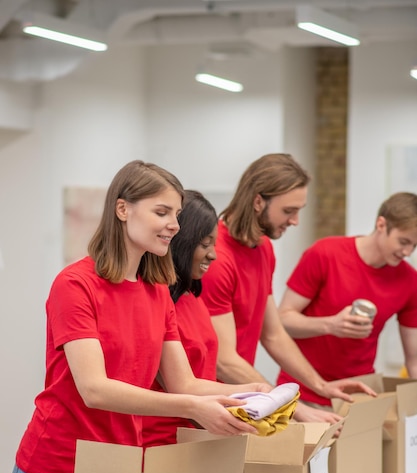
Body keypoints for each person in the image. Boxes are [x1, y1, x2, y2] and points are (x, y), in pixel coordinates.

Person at [7, 160, 272, 473]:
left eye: (175, 215)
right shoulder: (75, 284)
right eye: (162, 212)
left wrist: (245, 393)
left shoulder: (156, 288)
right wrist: (193, 406)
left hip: (121, 472)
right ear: (123, 210)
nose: (174, 224)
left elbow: (184, 382)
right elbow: (95, 389)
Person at [201, 153, 375, 424]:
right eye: (288, 211)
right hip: (210, 404)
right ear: (258, 201)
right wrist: (292, 407)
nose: (295, 221)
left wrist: (320, 386)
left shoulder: (263, 248)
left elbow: (273, 335)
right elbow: (223, 361)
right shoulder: (217, 259)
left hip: (241, 399)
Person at [276, 191, 417, 405]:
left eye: (414, 246)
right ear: (381, 225)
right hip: (300, 392)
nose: (407, 252)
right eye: (403, 241)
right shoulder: (325, 254)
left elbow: (414, 361)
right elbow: (283, 320)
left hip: (358, 396)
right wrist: (331, 325)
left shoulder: (410, 281)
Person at [141, 189, 219, 448]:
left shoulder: (193, 297)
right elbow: (181, 386)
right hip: (161, 445)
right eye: (205, 244)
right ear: (183, 242)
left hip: (198, 438)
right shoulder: (155, 299)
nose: (213, 254)